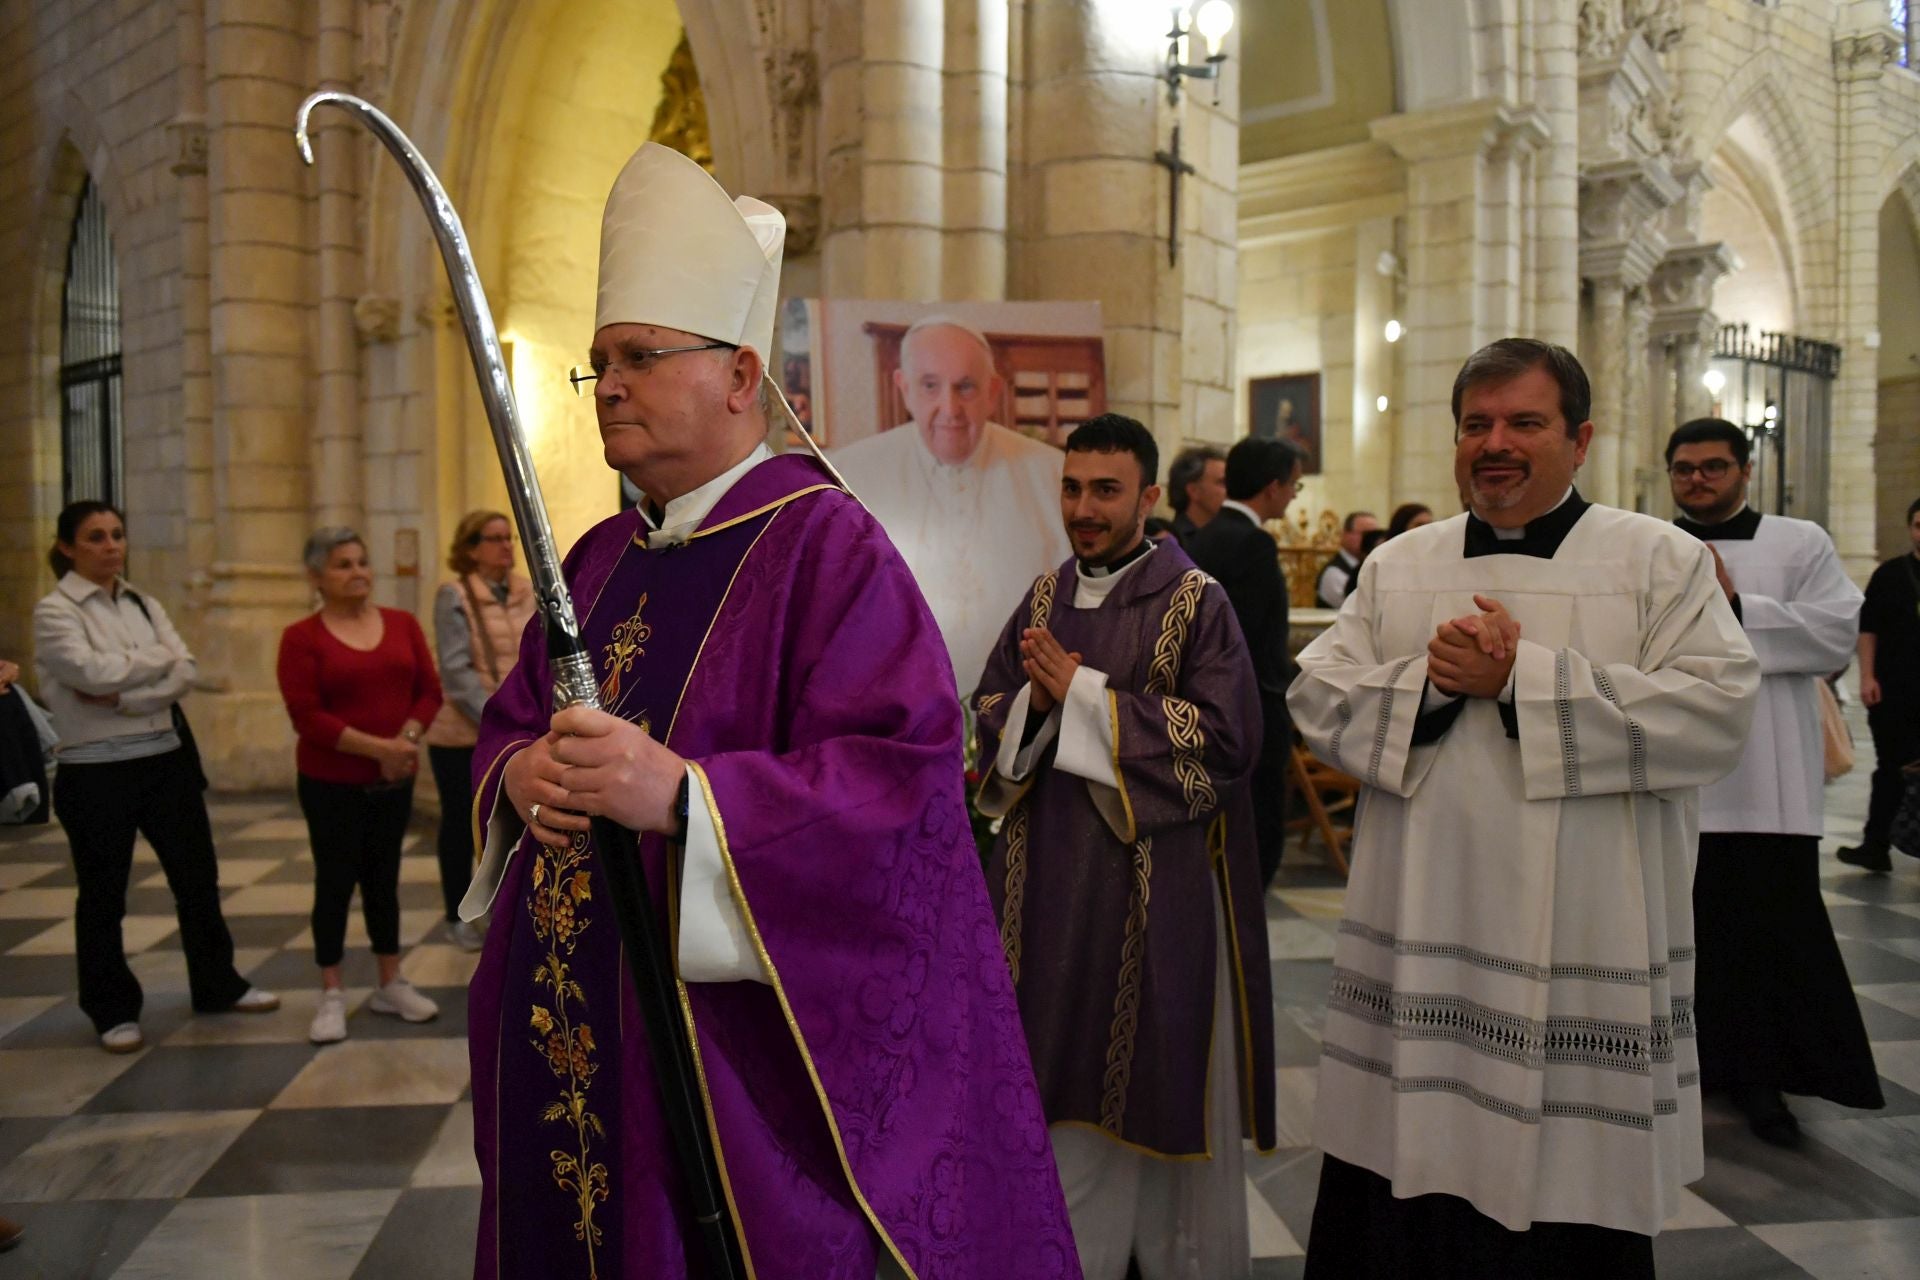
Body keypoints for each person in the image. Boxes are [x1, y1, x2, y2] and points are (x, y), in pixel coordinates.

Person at [462, 141, 1074, 1277]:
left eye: (641, 355)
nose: (613, 386)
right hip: (570, 1029)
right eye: (600, 364)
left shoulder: (824, 544)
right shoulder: (597, 557)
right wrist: (519, 776)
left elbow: (905, 785)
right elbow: (512, 720)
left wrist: (689, 799)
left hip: (722, 1068)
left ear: (744, 376)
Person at [1288, 339, 1760, 1278]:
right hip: (1421, 931)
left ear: (1579, 439)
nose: (1494, 443)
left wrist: (1521, 681)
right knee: (1396, 1191)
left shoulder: (1658, 560)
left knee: (1562, 1213)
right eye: (1476, 425)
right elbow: (1315, 697)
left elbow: (1717, 714)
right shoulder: (1399, 563)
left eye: (1524, 423)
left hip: (1586, 943)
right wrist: (1428, 684)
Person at [973, 414, 1275, 1280]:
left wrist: (1086, 697)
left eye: (1106, 490)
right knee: (1043, 1088)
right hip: (1041, 882)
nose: (1084, 509)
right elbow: (989, 712)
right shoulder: (1042, 599)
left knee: (1132, 1083)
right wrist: (1033, 708)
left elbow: (1226, 744)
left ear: (1149, 496)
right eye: (1071, 488)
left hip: (1148, 894)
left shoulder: (1195, 601)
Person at [1667, 417, 1882, 1144]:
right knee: (1679, 935)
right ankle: (1680, 1065)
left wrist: (1734, 608)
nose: (1698, 479)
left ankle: (1764, 1080)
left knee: (1768, 940)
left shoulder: (1799, 541)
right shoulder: (1649, 545)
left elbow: (1833, 632)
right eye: (1685, 468)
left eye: (1713, 467)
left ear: (1745, 470)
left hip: (1768, 782)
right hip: (1678, 780)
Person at [32, 500, 279, 1054]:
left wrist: (122, 694)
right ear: (68, 547)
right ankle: (111, 1009)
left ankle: (217, 983)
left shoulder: (141, 600)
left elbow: (184, 668)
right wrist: (152, 664)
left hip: (164, 759)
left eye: (117, 534)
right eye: (95, 537)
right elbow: (84, 670)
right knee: (103, 893)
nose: (111, 545)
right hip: (96, 771)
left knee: (196, 879)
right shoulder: (55, 611)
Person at [829, 316, 1070, 693]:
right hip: (891, 711)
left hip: (1021, 712)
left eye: (966, 387)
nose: (950, 408)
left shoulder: (1053, 476)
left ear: (992, 391)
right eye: (930, 386)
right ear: (904, 388)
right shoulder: (845, 476)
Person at [276, 528, 444, 1045]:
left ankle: (390, 980)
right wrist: (383, 750)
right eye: (343, 564)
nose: (358, 573)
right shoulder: (302, 637)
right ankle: (331, 991)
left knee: (383, 880)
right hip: (332, 782)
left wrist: (406, 740)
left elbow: (428, 691)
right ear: (316, 577)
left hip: (391, 781)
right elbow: (308, 717)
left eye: (362, 562)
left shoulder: (401, 624)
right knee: (335, 882)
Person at [1184, 436, 1306, 887]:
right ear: (1272, 487)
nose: (1294, 495)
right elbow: (1253, 638)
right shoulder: (1252, 543)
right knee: (1257, 835)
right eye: (1294, 485)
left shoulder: (1206, 536)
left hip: (1208, 708)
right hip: (1249, 711)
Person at [422, 511, 537, 951]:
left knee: (512, 825)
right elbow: (455, 671)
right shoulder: (454, 595)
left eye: (508, 538)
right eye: (493, 539)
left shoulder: (528, 590)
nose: (506, 546)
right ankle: (457, 915)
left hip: (519, 729)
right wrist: (499, 717)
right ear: (470, 549)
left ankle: (508, 912)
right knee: (459, 823)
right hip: (462, 734)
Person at [1839, 495, 1920, 872]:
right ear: (1910, 529)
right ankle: (1876, 845)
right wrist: (1867, 676)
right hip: (1894, 690)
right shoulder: (1890, 574)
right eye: (1919, 525)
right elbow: (1867, 629)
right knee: (1890, 768)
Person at [1315, 510, 1379, 609]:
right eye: (1366, 534)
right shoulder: (1333, 573)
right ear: (1345, 534)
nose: (1372, 540)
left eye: (1375, 535)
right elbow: (1357, 609)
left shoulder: (1375, 565)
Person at [1166, 445, 1226, 542]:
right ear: (1194, 491)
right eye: (1222, 482)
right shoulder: (1173, 542)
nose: (1230, 490)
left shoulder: (1224, 537)